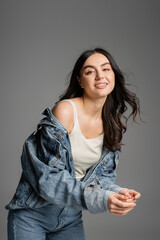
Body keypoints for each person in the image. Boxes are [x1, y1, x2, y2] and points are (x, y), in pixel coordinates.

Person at [6, 48, 141, 240]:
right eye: (90, 71)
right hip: (32, 216)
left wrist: (117, 193)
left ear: (114, 75)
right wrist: (103, 199)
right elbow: (49, 178)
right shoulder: (65, 111)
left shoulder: (111, 123)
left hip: (70, 217)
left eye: (105, 69)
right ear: (80, 80)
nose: (99, 76)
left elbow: (99, 179)